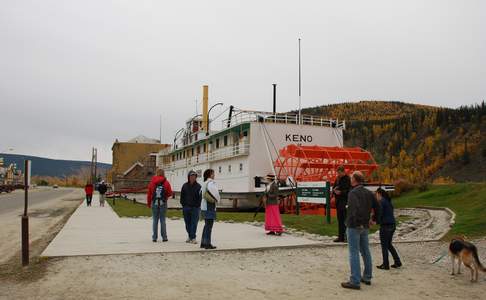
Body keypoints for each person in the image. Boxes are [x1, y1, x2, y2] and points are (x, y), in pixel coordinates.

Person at [341, 171, 381, 290]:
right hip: (365, 225)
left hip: (355, 226)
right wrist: (374, 219)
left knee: (353, 252)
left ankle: (355, 281)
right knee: (365, 251)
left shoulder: (353, 193)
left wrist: (357, 223)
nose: (350, 179)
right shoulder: (369, 193)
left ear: (354, 180)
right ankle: (367, 277)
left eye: (351, 178)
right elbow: (377, 207)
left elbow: (353, 210)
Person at [376, 188, 402, 270]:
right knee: (389, 245)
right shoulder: (388, 201)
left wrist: (375, 220)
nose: (375, 196)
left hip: (385, 226)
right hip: (392, 225)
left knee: (384, 245)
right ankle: (397, 261)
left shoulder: (381, 201)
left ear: (379, 194)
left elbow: (380, 213)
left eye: (376, 194)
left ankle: (385, 264)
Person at [147, 169, 173, 243]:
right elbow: (170, 193)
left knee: (155, 220)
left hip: (154, 202)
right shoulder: (166, 182)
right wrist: (165, 198)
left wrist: (149, 203)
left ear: (156, 173)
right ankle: (164, 237)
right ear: (163, 174)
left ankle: (154, 237)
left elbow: (149, 194)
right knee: (162, 220)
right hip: (163, 203)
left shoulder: (152, 182)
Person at [180, 170, 202, 244]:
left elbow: (200, 197)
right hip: (186, 207)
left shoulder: (199, 186)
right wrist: (183, 205)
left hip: (195, 208)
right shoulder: (184, 186)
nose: (192, 177)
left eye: (194, 176)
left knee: (194, 223)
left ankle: (193, 237)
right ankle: (190, 236)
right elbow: (182, 196)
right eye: (191, 176)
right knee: (187, 223)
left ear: (196, 177)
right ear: (188, 177)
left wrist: (197, 205)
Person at [200, 169, 220, 250]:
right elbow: (215, 193)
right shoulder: (211, 183)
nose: (214, 175)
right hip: (209, 206)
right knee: (209, 226)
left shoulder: (204, 183)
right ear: (210, 174)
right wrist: (218, 199)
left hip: (204, 206)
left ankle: (203, 242)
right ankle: (207, 243)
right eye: (213, 173)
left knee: (206, 225)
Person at [332, 166, 351, 242]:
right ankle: (340, 237)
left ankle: (347, 237)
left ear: (343, 172)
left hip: (345, 202)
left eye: (339, 173)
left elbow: (349, 191)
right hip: (338, 202)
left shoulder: (347, 179)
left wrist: (341, 192)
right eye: (337, 173)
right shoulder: (337, 179)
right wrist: (334, 191)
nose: (338, 174)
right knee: (340, 220)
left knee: (345, 220)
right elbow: (334, 188)